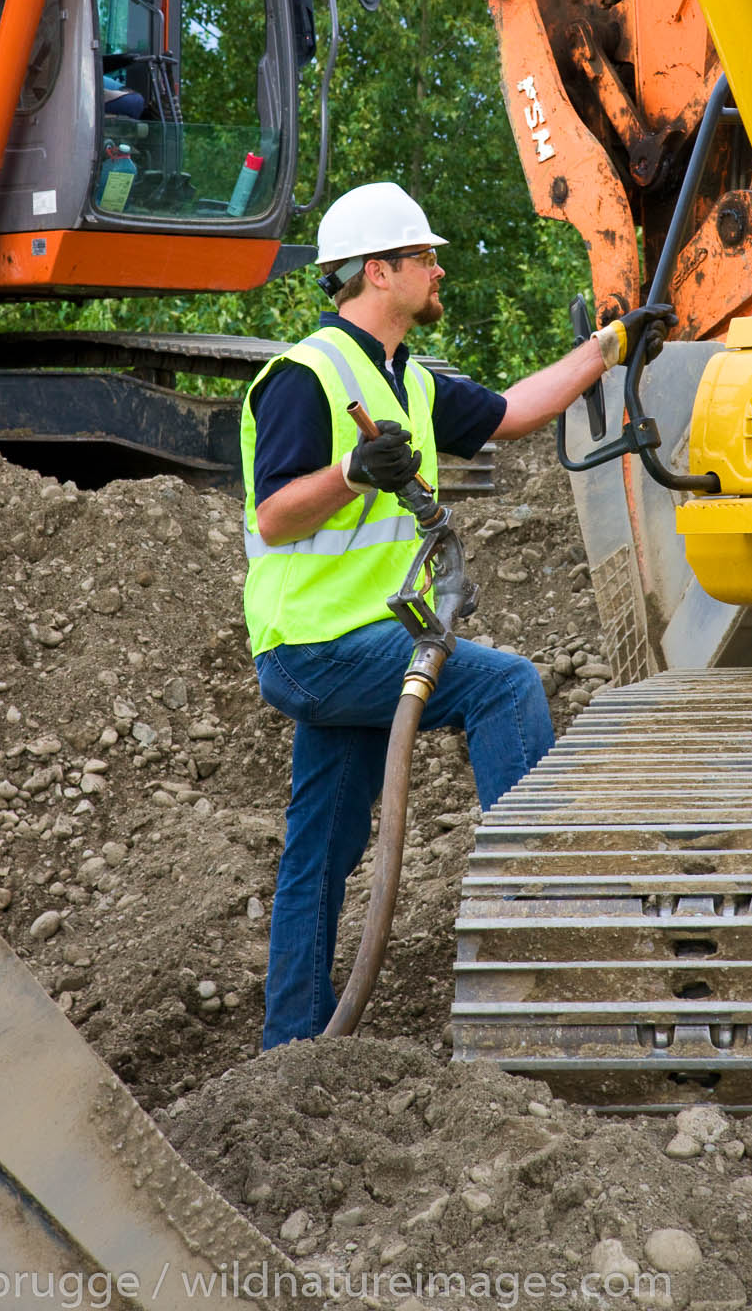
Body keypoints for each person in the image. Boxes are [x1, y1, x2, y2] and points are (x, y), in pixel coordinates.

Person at [240, 180, 659, 1048]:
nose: (438, 270)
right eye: (424, 257)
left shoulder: (410, 381)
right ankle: (538, 914)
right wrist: (352, 472)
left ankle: (291, 1055)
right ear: (379, 272)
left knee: (318, 851)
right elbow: (274, 514)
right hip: (317, 647)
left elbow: (512, 411)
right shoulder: (305, 376)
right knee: (504, 687)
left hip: (366, 644)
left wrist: (607, 350)